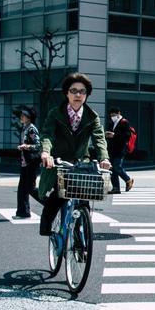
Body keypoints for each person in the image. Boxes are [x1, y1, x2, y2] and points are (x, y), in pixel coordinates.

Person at [37, 73, 112, 237]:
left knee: (84, 197)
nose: (78, 95)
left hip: (80, 163)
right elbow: (47, 134)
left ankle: (80, 235)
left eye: (82, 91)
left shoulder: (92, 116)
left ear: (86, 95)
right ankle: (46, 227)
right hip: (58, 162)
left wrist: (104, 158)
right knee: (58, 196)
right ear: (67, 93)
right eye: (73, 91)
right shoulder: (55, 113)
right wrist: (46, 152)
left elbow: (99, 139)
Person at [13, 108, 42, 219]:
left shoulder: (31, 129)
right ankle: (23, 213)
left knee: (30, 188)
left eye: (23, 115)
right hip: (25, 163)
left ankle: (50, 204)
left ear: (29, 118)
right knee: (22, 189)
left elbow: (38, 145)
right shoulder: (24, 128)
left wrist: (27, 146)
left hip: (31, 163)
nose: (21, 117)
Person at [104, 107, 134, 193]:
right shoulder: (111, 123)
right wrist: (107, 135)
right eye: (111, 115)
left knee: (117, 166)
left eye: (114, 115)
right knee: (112, 168)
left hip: (121, 149)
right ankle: (116, 188)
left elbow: (126, 136)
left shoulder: (124, 122)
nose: (112, 117)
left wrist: (114, 135)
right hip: (112, 149)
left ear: (118, 113)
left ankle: (128, 180)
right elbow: (110, 135)